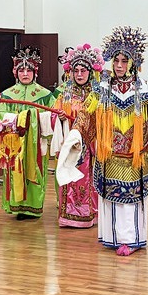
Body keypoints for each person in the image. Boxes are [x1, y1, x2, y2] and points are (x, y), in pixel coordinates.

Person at [57, 26, 148, 255]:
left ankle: (131, 240)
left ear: (134, 63)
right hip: (109, 157)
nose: (118, 65)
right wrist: (77, 135)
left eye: (124, 61)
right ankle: (113, 237)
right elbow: (86, 118)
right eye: (116, 60)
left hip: (135, 159)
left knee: (132, 201)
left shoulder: (147, 91)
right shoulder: (101, 91)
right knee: (112, 200)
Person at [0, 47, 57, 219]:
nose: (25, 74)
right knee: (15, 171)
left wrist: (32, 119)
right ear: (15, 72)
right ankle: (17, 207)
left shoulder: (45, 95)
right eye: (21, 70)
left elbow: (52, 115)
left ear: (35, 72)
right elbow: (0, 114)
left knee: (35, 170)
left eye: (29, 70)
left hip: (36, 141)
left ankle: (34, 207)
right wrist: (18, 121)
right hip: (15, 141)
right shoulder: (8, 94)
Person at [52, 44, 101, 229]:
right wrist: (60, 118)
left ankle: (90, 214)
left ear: (91, 72)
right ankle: (69, 215)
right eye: (76, 71)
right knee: (70, 179)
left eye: (83, 71)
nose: (79, 74)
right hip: (70, 146)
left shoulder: (97, 94)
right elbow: (53, 117)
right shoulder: (64, 93)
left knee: (89, 179)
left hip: (89, 145)